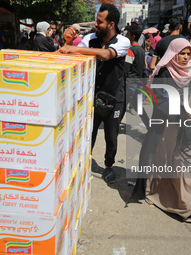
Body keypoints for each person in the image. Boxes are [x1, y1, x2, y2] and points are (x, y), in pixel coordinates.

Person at [132, 38, 191, 225]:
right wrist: (182, 108)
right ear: (173, 54)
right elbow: (159, 100)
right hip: (165, 127)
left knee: (179, 164)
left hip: (183, 129)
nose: (185, 58)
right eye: (181, 54)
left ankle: (188, 206)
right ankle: (182, 204)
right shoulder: (164, 72)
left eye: (188, 54)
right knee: (168, 161)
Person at [59, 3, 131, 184]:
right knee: (87, 132)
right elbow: (71, 55)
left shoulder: (123, 41)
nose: (95, 25)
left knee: (111, 136)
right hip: (92, 97)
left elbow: (106, 55)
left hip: (115, 98)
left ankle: (108, 166)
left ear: (111, 24)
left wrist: (76, 48)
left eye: (99, 22)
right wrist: (69, 43)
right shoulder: (90, 39)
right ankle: (84, 162)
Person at [124, 25, 149, 127]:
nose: (127, 36)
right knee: (129, 104)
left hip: (130, 82)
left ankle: (149, 125)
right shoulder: (141, 50)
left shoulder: (130, 50)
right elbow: (143, 68)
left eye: (128, 34)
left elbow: (126, 69)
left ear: (133, 36)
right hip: (138, 82)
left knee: (135, 106)